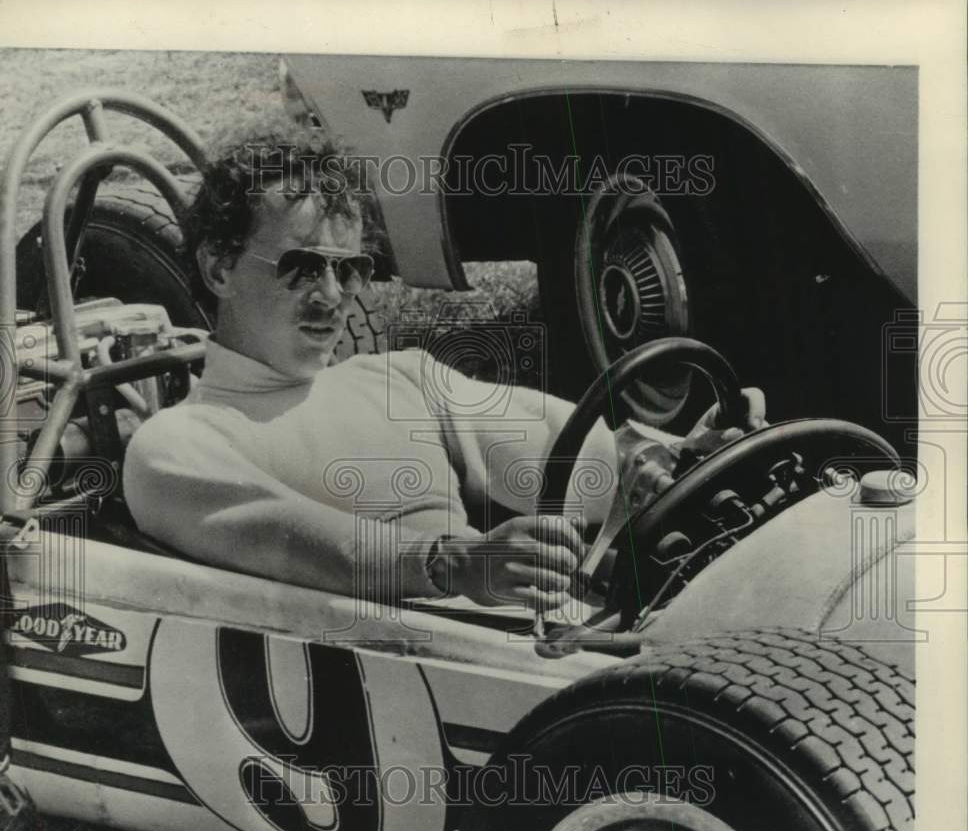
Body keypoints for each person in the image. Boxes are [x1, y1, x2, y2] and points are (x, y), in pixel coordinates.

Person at [123, 134, 765, 613]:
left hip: (538, 645)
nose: (332, 296)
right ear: (217, 269)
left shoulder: (398, 380)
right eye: (301, 266)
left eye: (348, 270)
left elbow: (581, 457)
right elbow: (290, 546)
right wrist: (458, 564)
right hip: (447, 665)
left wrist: (674, 459)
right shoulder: (176, 446)